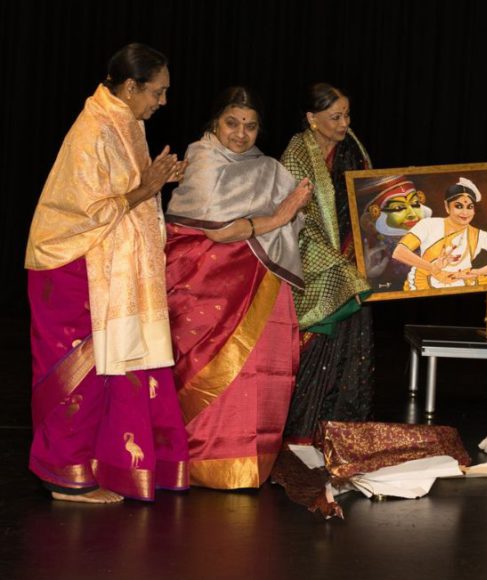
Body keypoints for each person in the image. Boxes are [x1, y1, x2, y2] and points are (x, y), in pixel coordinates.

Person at [24, 43, 190, 502]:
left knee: (115, 371)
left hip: (105, 264)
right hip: (73, 262)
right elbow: (87, 211)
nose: (162, 101)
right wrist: (146, 188)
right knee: (81, 374)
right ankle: (64, 475)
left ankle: (104, 465)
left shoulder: (127, 122)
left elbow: (128, 195)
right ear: (131, 86)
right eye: (157, 91)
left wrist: (157, 182)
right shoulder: (93, 130)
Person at [165, 87, 312, 489]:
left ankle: (245, 464)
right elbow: (224, 230)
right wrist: (280, 215)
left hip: (258, 283)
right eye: (232, 123)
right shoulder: (203, 162)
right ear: (214, 122)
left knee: (257, 372)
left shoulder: (266, 168)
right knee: (208, 372)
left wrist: (283, 217)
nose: (241, 134)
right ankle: (195, 461)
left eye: (250, 126)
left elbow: (295, 223)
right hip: (203, 289)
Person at [280, 83, 375, 442]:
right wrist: (335, 261)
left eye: (347, 114)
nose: (344, 122)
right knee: (316, 347)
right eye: (335, 117)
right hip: (316, 266)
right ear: (311, 118)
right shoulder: (295, 156)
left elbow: (369, 199)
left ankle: (342, 434)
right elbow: (295, 219)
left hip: (355, 262)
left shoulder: (353, 148)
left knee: (353, 350)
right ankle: (302, 435)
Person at [392, 178, 487, 290]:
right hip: (428, 279)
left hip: (463, 280)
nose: (465, 213)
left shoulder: (480, 235)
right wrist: (433, 268)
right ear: (447, 207)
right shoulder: (428, 225)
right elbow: (399, 252)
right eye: (458, 206)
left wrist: (479, 272)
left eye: (469, 207)